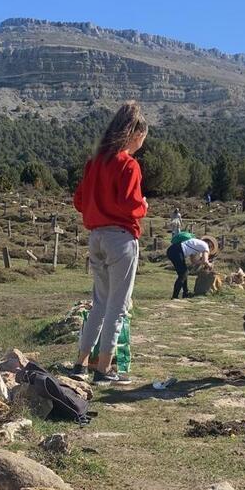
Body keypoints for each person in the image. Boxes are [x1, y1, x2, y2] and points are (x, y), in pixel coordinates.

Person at [70, 101, 149, 386]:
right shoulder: (129, 164)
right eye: (142, 138)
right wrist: (144, 205)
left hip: (96, 237)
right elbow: (131, 205)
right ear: (134, 134)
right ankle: (104, 368)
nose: (141, 143)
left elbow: (79, 201)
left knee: (99, 303)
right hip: (121, 239)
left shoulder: (94, 162)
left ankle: (80, 362)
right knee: (119, 305)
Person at [166, 235, 217, 299]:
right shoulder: (205, 246)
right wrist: (210, 265)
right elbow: (205, 261)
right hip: (178, 251)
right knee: (184, 273)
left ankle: (185, 293)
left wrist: (201, 261)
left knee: (184, 273)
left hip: (172, 250)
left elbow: (194, 261)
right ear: (210, 245)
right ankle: (175, 296)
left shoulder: (196, 244)